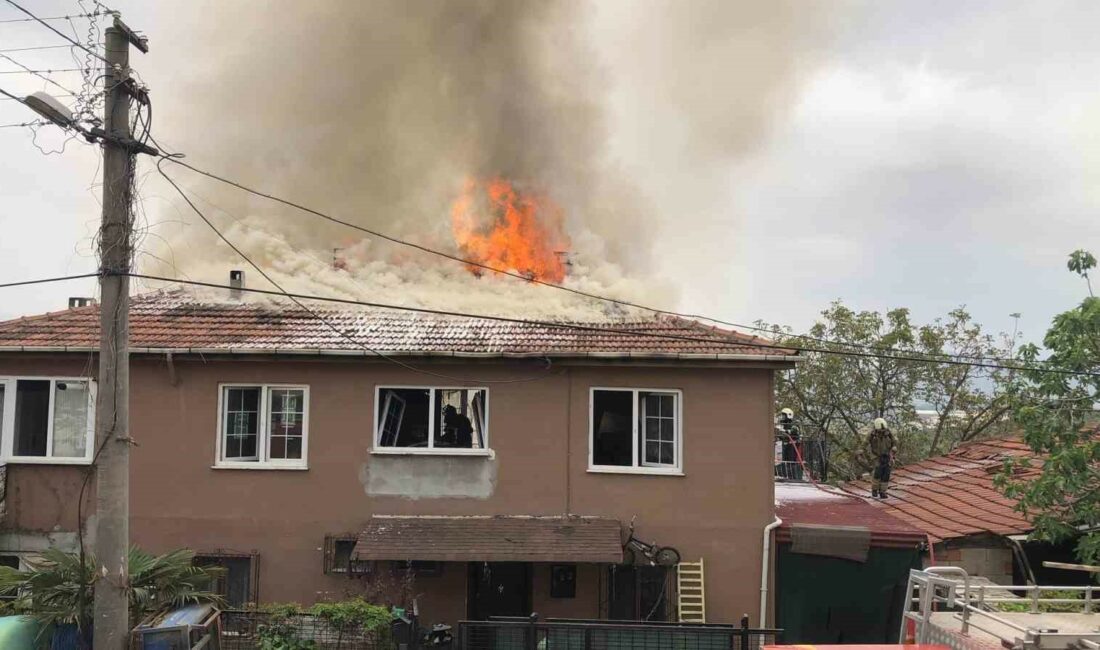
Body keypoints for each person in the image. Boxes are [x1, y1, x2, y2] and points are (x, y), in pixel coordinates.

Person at [868, 417, 896, 499]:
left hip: (887, 455)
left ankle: (883, 492)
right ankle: (874, 490)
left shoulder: (889, 434)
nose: (882, 432)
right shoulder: (872, 435)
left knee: (886, 474)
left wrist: (894, 448)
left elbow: (894, 442)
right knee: (877, 473)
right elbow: (865, 444)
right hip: (876, 456)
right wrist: (864, 453)